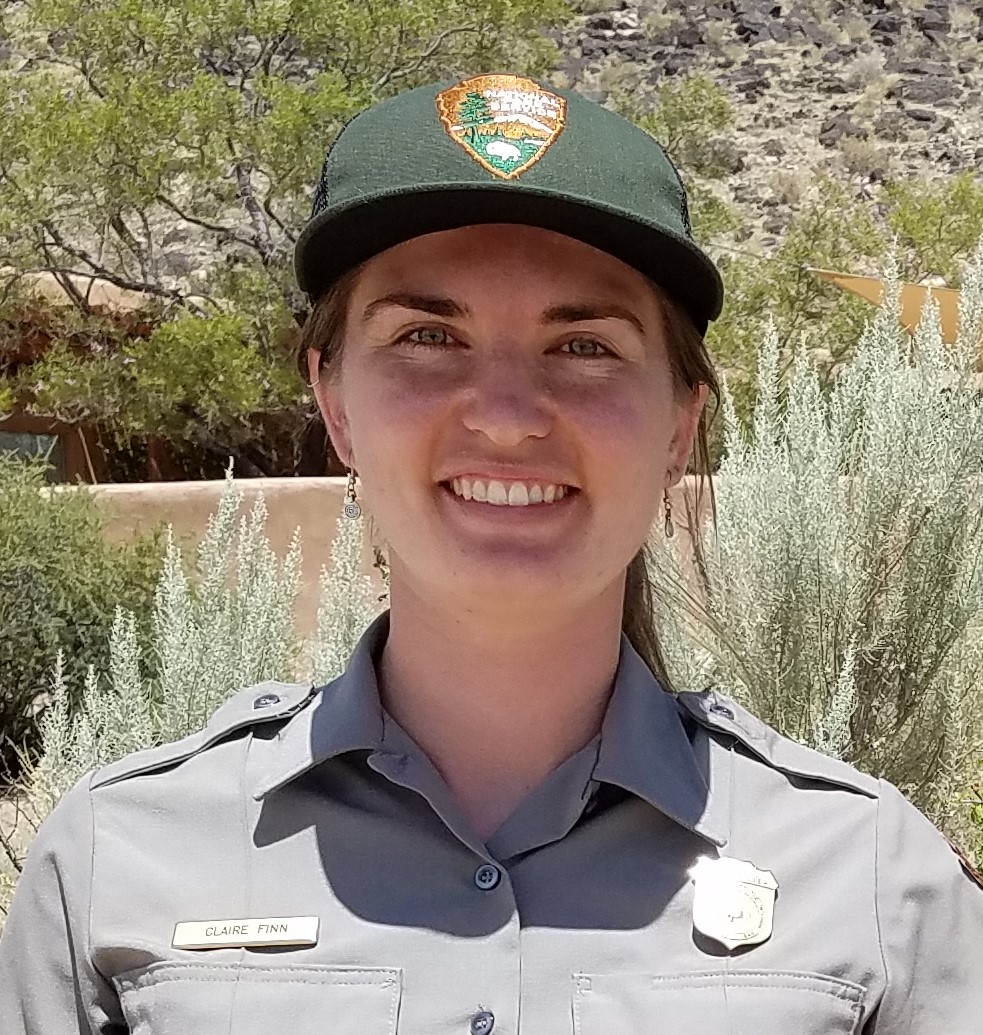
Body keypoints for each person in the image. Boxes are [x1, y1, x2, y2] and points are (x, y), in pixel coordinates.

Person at [1, 72, 982, 1035]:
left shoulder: (867, 881)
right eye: (428, 335)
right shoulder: (113, 865)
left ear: (678, 425)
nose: (508, 418)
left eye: (584, 346)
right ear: (335, 402)